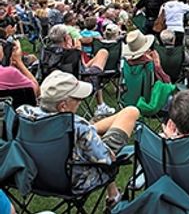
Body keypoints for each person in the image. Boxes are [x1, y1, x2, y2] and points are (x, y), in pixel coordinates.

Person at [16, 70, 140, 208]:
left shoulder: (23, 114)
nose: (81, 101)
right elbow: (106, 159)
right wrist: (97, 140)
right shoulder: (78, 126)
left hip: (36, 176)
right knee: (131, 112)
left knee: (90, 129)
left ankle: (113, 194)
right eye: (78, 98)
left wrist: (89, 131)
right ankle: (114, 196)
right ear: (63, 106)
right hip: (74, 181)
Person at [48, 25, 115, 116]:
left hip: (53, 87)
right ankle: (101, 105)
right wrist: (77, 51)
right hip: (78, 86)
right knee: (103, 53)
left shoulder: (47, 53)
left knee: (99, 55)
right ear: (66, 38)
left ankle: (101, 105)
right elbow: (83, 69)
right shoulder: (73, 54)